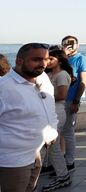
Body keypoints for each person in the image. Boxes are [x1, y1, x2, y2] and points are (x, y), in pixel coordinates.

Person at [0, 43, 58, 192]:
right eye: (37, 59)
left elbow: (47, 110)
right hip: (13, 160)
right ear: (19, 61)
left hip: (36, 152)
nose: (43, 64)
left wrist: (53, 131)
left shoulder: (40, 79)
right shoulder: (4, 88)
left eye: (46, 59)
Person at [41, 47, 75, 191]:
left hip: (58, 111)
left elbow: (62, 95)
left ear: (59, 60)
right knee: (49, 145)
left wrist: (40, 96)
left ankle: (63, 175)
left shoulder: (61, 75)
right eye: (47, 58)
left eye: (51, 59)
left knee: (53, 145)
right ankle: (51, 168)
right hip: (50, 111)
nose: (47, 62)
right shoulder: (48, 74)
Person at [61, 35, 86, 172]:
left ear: (77, 46)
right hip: (58, 99)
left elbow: (84, 81)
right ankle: (57, 160)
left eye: (72, 43)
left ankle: (70, 161)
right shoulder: (61, 59)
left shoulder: (81, 59)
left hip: (70, 99)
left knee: (68, 132)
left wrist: (76, 101)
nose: (69, 46)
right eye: (65, 43)